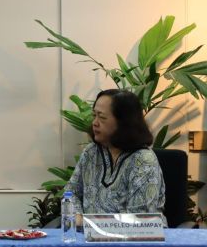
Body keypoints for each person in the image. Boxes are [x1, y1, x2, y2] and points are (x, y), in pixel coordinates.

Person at [64, 89, 165, 223]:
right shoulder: (91, 152)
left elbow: (139, 221)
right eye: (94, 115)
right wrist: (76, 217)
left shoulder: (143, 160)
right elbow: (71, 193)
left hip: (134, 241)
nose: (95, 122)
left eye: (102, 117)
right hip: (89, 239)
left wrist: (87, 224)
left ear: (124, 122)